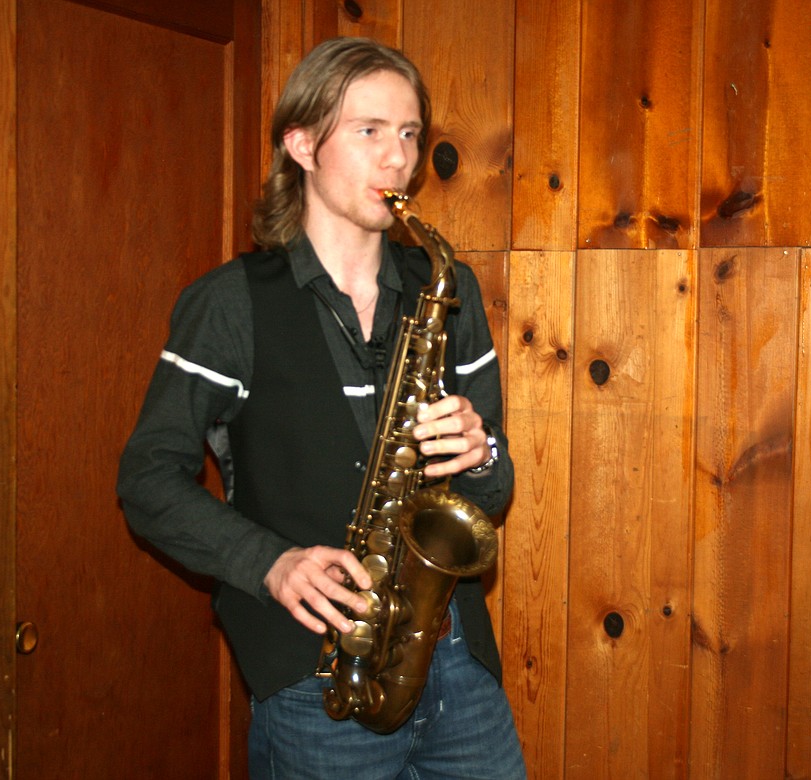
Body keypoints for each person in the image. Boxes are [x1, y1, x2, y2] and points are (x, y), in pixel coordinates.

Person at [116, 36, 525, 779]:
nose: (397, 157)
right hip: (318, 678)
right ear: (300, 144)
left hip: (458, 664)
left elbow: (491, 493)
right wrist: (269, 564)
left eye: (408, 134)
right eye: (369, 130)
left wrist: (482, 451)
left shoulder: (446, 284)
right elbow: (148, 477)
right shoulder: (230, 304)